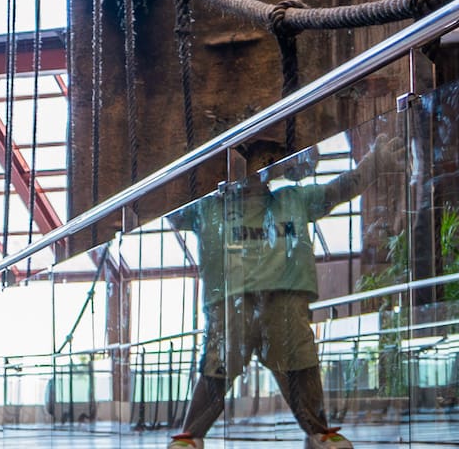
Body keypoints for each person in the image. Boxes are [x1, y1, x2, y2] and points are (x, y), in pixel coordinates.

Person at [165, 134, 405, 449]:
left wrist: (373, 163)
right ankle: (191, 435)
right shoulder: (208, 206)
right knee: (217, 369)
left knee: (301, 365)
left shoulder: (291, 199)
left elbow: (338, 189)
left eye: (268, 159)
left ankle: (318, 431)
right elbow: (170, 207)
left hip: (283, 297)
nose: (262, 166)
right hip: (232, 300)